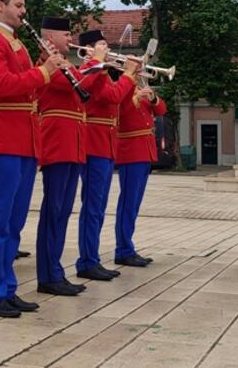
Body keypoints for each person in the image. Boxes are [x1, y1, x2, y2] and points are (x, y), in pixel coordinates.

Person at [0, 0, 63, 318]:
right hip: (2, 138)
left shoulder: (18, 44)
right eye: (18, 5)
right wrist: (43, 71)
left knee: (14, 221)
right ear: (0, 6)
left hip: (24, 139)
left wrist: (46, 68)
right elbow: (1, 85)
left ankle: (7, 288)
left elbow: (30, 90)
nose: (23, 11)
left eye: (23, 6)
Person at [34, 16, 91, 297]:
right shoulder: (46, 64)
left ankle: (55, 271)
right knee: (53, 211)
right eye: (66, 34)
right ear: (50, 37)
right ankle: (47, 275)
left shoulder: (66, 64)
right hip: (58, 143)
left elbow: (84, 91)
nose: (71, 39)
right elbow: (71, 86)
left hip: (73, 144)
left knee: (64, 211)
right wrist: (95, 62)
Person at [75, 30, 137, 282]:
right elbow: (111, 96)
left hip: (106, 144)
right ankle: (87, 261)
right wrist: (129, 75)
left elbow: (119, 102)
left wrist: (133, 78)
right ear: (89, 49)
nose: (108, 50)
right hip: (94, 144)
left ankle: (92, 258)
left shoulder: (103, 74)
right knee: (92, 207)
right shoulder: (91, 72)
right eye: (102, 45)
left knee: (99, 207)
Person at [114, 80, 166, 267]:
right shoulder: (121, 88)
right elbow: (120, 113)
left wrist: (152, 98)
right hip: (131, 151)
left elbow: (161, 110)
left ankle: (127, 247)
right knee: (128, 203)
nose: (140, 72)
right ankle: (123, 250)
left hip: (144, 150)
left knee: (134, 203)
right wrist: (136, 97)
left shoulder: (141, 89)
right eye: (137, 69)